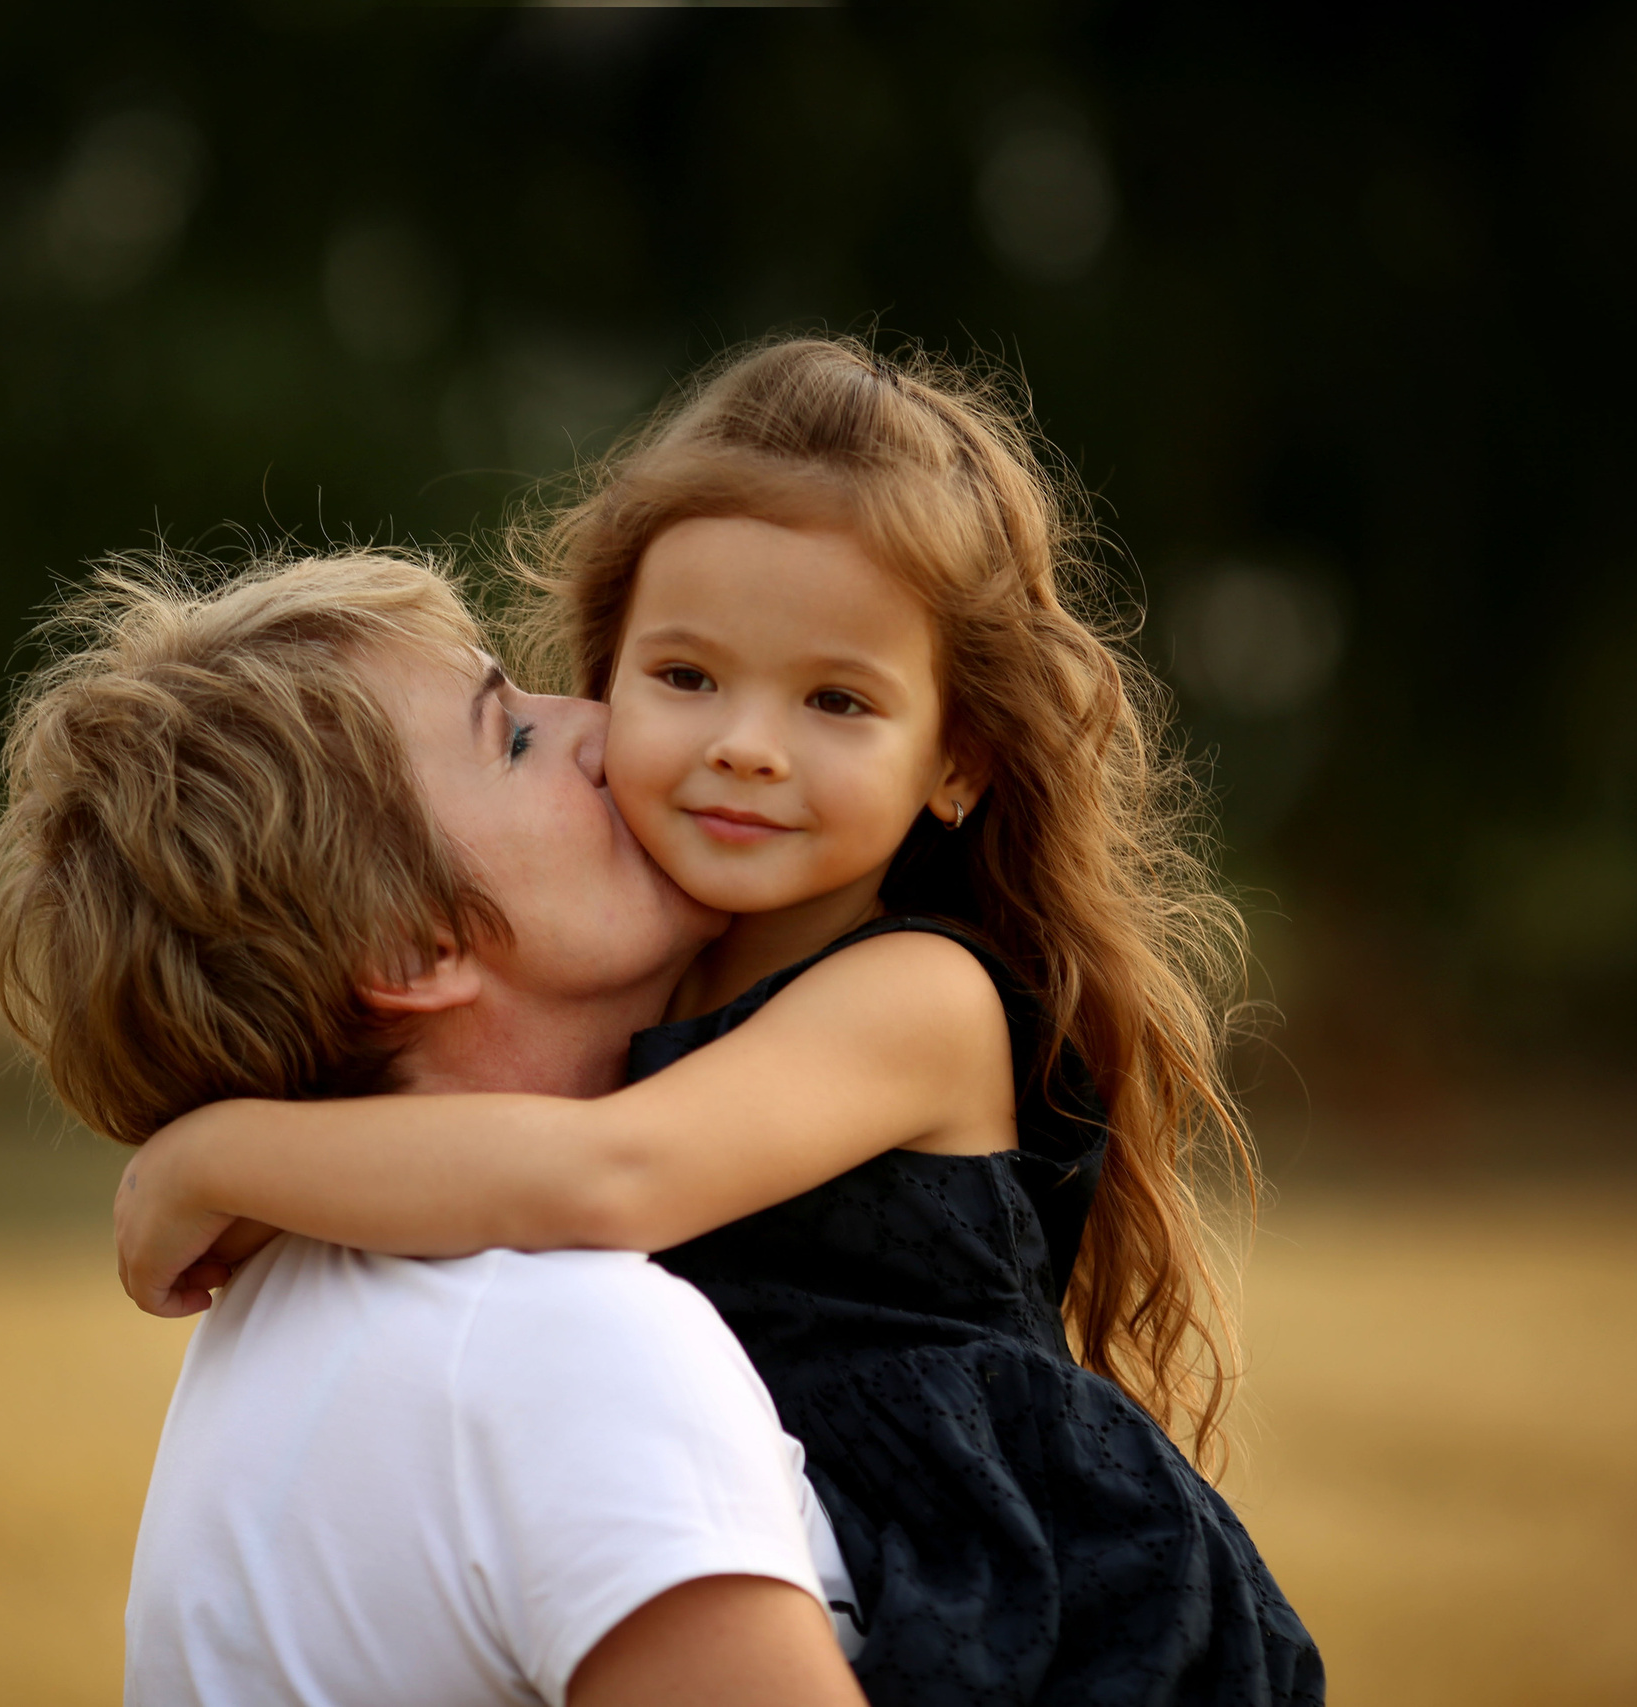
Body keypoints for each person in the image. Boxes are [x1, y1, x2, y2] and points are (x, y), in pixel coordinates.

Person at [115, 338, 1325, 1704]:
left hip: (1009, 1574)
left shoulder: (918, 994)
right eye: (686, 675)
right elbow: (506, 1157)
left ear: (956, 760)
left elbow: (606, 1176)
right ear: (611, 674)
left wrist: (215, 1160)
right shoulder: (643, 991)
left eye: (836, 700)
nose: (748, 741)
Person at [0, 549, 866, 1707]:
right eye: (514, 739)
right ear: (409, 948)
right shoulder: (567, 1347)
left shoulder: (296, 1318)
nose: (601, 722)